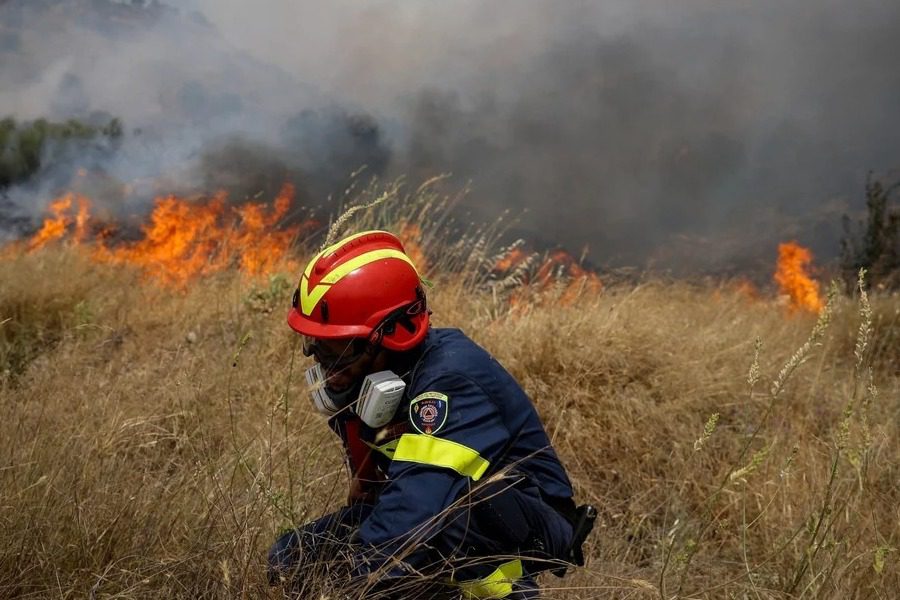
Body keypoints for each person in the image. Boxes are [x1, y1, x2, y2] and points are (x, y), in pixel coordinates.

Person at [268, 230, 593, 599]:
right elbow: (373, 496)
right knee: (292, 555)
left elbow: (411, 516)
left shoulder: (449, 382)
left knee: (450, 526)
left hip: (520, 518)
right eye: (316, 347)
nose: (325, 367)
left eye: (336, 350)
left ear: (390, 334)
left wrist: (351, 586)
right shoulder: (368, 380)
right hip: (433, 501)